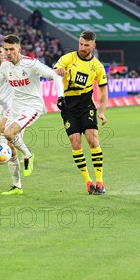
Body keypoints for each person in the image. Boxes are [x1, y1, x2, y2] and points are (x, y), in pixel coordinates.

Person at [0, 35, 64, 195]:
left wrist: (61, 97)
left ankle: (28, 155)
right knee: (7, 138)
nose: (8, 53)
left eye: (11, 49)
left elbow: (55, 75)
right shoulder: (5, 67)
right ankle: (17, 186)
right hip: (15, 105)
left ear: (19, 49)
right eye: (6, 49)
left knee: (8, 133)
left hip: (32, 107)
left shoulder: (31, 64)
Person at [53, 30, 108, 195]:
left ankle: (100, 181)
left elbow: (103, 91)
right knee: (76, 143)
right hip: (68, 106)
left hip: (86, 104)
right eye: (81, 44)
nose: (82, 47)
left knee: (92, 140)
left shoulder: (97, 66)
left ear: (93, 45)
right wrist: (58, 71)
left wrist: (102, 111)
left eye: (86, 45)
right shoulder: (68, 58)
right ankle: (88, 182)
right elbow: (52, 73)